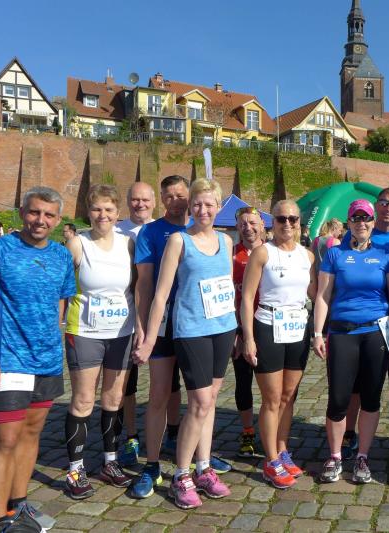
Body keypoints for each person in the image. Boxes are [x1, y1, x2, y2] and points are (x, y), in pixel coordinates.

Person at [0, 186, 75, 533]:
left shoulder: (61, 255)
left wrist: (53, 340)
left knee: (31, 434)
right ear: (21, 212)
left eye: (48, 215)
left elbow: (61, 302)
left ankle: (19, 504)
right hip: (8, 361)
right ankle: (0, 520)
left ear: (58, 219)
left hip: (47, 360)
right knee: (6, 440)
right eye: (34, 212)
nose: (40, 220)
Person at [133, 178, 235, 509]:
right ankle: (180, 474)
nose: (203, 210)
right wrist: (148, 338)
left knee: (210, 400)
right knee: (197, 401)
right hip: (189, 328)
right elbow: (159, 293)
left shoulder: (226, 241)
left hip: (223, 327)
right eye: (198, 204)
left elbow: (226, 287)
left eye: (209, 204)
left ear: (218, 207)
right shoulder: (178, 240)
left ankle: (203, 468)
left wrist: (236, 330)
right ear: (191, 207)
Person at [313, 199, 389, 484]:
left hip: (375, 333)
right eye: (356, 218)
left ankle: (363, 456)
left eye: (366, 218)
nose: (361, 223)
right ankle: (336, 456)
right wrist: (317, 332)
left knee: (371, 398)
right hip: (342, 333)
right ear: (349, 222)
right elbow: (323, 296)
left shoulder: (386, 255)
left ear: (373, 222)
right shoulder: (335, 254)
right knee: (338, 399)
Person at [63, 185, 135, 499]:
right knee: (83, 400)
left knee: (114, 399)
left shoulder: (128, 243)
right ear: (88, 212)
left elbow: (138, 286)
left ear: (118, 213)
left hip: (121, 332)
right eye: (96, 209)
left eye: (108, 209)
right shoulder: (77, 243)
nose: (102, 215)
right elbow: (61, 287)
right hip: (85, 332)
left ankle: (110, 461)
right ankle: (75, 469)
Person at [241, 200, 315, 488]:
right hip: (268, 326)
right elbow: (248, 297)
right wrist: (249, 338)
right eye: (281, 218)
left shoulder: (308, 256)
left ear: (299, 222)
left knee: (288, 396)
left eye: (292, 219)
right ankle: (270, 459)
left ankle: (283, 451)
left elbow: (316, 293)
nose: (287, 224)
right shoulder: (263, 253)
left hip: (298, 328)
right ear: (272, 221)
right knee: (271, 399)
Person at [129, 175, 193, 499]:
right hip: (163, 322)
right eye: (168, 196)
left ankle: (197, 458)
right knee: (158, 393)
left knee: (197, 396)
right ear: (161, 200)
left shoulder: (200, 228)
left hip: (195, 322)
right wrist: (142, 327)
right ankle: (152, 464)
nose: (175, 201)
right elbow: (143, 283)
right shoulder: (150, 232)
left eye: (180, 195)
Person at [340, 188, 389, 460]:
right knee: (357, 383)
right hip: (365, 320)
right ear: (376, 206)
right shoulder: (355, 234)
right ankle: (349, 433)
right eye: (384, 203)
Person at [114, 182, 159, 467]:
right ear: (127, 201)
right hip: (125, 315)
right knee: (126, 380)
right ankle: (130, 435)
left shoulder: (162, 229)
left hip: (161, 314)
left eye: (145, 199)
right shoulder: (116, 230)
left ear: (154, 202)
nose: (140, 204)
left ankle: (170, 431)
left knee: (165, 379)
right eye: (134, 199)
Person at [232, 206, 266, 457]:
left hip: (269, 328)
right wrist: (235, 331)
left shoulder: (273, 252)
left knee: (272, 387)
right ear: (237, 227)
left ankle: (271, 432)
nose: (248, 228)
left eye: (253, 223)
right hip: (241, 329)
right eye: (243, 223)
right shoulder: (231, 255)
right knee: (243, 383)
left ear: (262, 225)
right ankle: (247, 431)